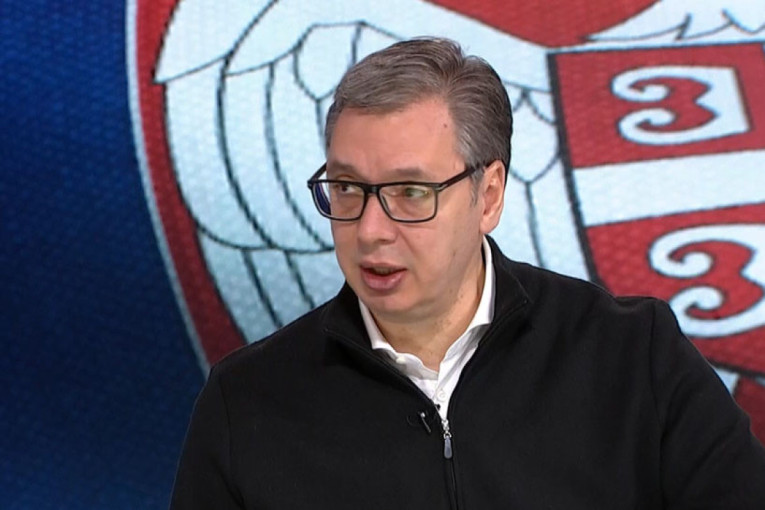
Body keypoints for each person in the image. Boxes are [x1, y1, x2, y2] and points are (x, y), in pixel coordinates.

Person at [169, 37, 765, 509]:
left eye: (410, 192)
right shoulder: (244, 403)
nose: (370, 230)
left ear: (489, 196)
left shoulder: (634, 356)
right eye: (347, 188)